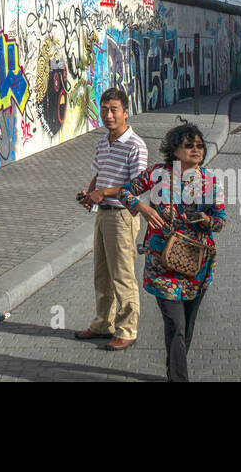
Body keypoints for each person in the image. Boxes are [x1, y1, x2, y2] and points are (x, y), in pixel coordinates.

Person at [120, 120, 226, 382]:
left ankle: (173, 368)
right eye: (188, 145)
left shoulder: (210, 182)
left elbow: (221, 221)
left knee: (186, 328)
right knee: (175, 325)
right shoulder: (157, 174)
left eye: (199, 146)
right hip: (162, 266)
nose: (196, 150)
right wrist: (143, 209)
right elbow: (125, 191)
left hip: (196, 267)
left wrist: (206, 220)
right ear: (174, 150)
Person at [75, 88, 149, 350]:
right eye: (104, 109)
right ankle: (102, 324)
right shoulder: (103, 141)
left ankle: (127, 329)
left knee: (122, 276)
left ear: (126, 112)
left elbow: (138, 186)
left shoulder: (135, 145)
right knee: (102, 275)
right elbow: (98, 173)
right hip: (103, 213)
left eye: (114, 110)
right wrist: (90, 193)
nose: (108, 115)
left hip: (122, 216)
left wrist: (102, 193)